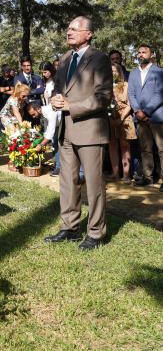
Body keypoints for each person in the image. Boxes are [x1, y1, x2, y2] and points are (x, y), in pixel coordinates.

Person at [45, 16, 112, 250]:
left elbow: (103, 96)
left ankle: (96, 233)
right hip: (66, 130)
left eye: (74, 29)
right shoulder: (64, 59)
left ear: (89, 34)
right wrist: (55, 98)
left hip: (90, 130)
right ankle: (69, 227)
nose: (68, 32)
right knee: (67, 182)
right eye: (68, 28)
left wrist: (71, 107)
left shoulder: (100, 59)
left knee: (93, 185)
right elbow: (58, 88)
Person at [128, 45, 163, 191]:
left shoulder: (159, 71)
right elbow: (131, 94)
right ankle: (148, 177)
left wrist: (146, 111)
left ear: (151, 54)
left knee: (161, 149)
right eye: (139, 52)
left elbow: (159, 94)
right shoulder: (133, 73)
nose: (141, 54)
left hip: (156, 116)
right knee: (145, 149)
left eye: (144, 52)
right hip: (139, 118)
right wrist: (137, 111)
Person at [109, 63, 136, 183]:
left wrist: (121, 119)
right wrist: (111, 118)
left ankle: (126, 175)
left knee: (125, 146)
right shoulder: (106, 86)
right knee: (112, 145)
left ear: (119, 72)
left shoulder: (126, 85)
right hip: (110, 118)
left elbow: (129, 105)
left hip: (124, 118)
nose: (113, 73)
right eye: (111, 71)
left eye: (115, 71)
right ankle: (115, 174)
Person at [39, 61, 60, 176]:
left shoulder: (57, 81)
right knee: (53, 141)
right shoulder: (45, 82)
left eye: (46, 72)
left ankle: (59, 166)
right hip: (48, 112)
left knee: (56, 141)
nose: (44, 74)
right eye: (42, 73)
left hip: (56, 114)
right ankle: (56, 162)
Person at [0, 65, 14, 130]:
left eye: (8, 71)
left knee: (11, 121)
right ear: (2, 71)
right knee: (0, 121)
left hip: (11, 104)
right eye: (5, 71)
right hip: (1, 103)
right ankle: (1, 137)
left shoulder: (13, 79)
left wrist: (3, 90)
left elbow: (14, 91)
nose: (7, 73)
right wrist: (8, 88)